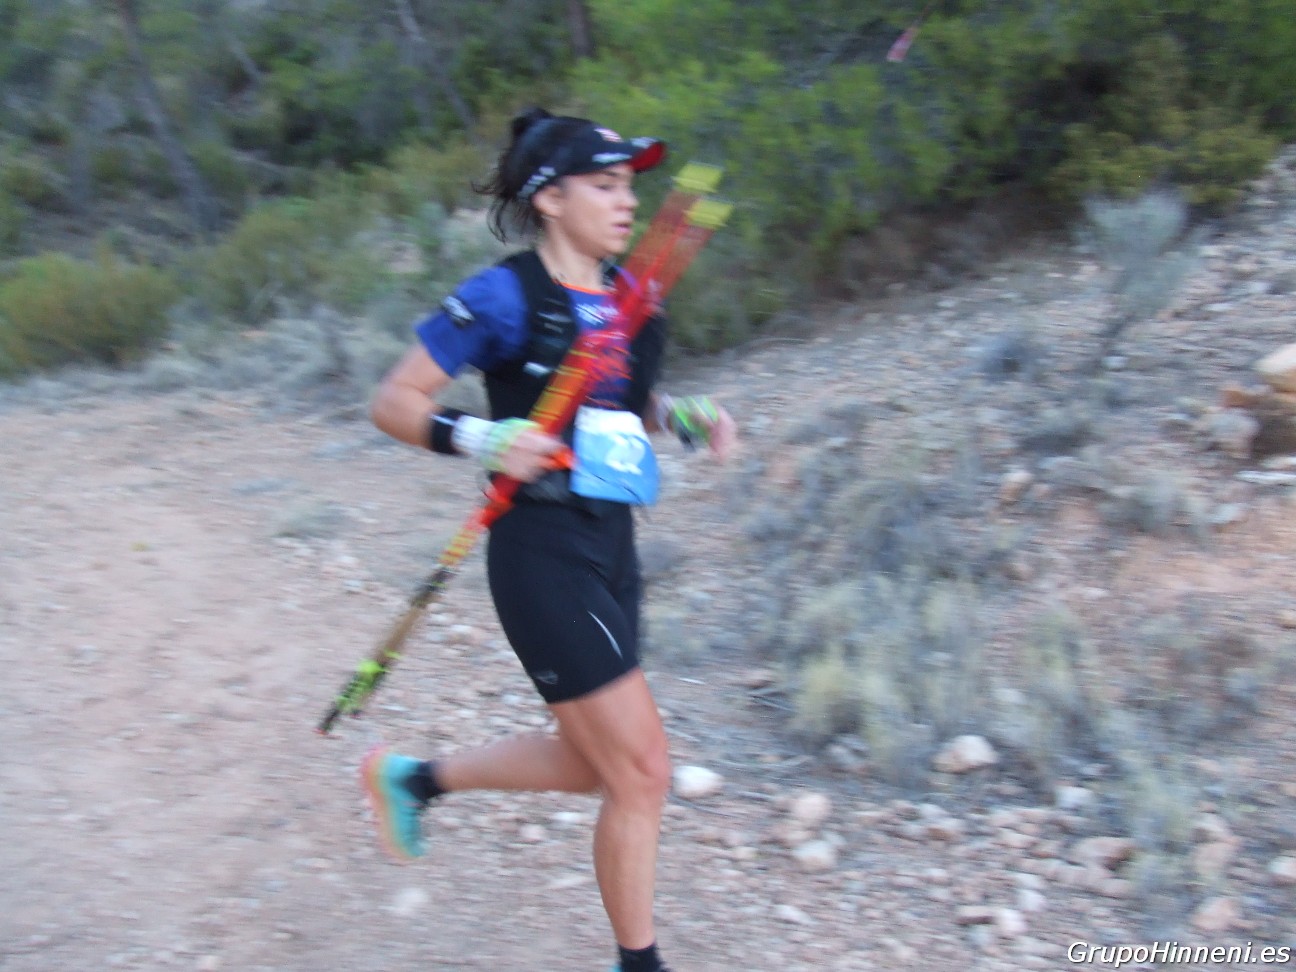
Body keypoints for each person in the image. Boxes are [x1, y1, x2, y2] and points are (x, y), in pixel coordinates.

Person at [361, 107, 736, 972]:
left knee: (592, 764)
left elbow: (618, 403)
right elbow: (394, 402)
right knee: (643, 770)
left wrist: (677, 415)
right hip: (540, 548)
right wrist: (481, 437)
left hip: (613, 541)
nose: (626, 202)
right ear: (551, 198)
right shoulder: (503, 296)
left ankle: (412, 780)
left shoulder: (632, 297)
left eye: (630, 186)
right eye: (605, 185)